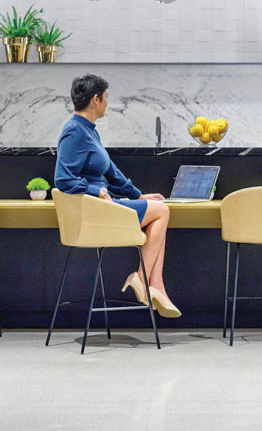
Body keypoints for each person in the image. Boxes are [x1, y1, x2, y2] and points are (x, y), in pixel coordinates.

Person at [55, 73, 181, 317]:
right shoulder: (74, 132)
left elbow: (111, 173)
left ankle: (154, 285)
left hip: (102, 209)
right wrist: (98, 192)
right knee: (162, 211)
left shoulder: (89, 131)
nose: (107, 102)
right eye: (106, 97)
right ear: (96, 99)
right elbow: (63, 179)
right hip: (94, 214)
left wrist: (139, 195)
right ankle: (145, 280)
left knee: (159, 213)